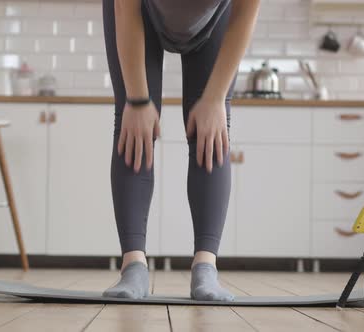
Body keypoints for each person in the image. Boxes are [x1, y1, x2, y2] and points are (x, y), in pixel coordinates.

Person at [102, 0, 260, 301]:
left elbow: (246, 12)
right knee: (133, 126)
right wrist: (136, 101)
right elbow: (126, 8)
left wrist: (215, 100)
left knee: (211, 130)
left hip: (216, 18)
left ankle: (206, 267)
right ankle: (133, 266)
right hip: (138, 13)